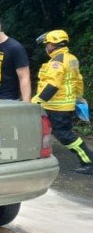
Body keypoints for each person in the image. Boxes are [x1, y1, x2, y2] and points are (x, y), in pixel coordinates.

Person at [32, 29, 93, 175]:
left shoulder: (57, 62)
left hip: (56, 106)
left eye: (47, 44)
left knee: (65, 135)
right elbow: (78, 80)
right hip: (64, 104)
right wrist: (78, 97)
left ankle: (89, 162)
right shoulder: (71, 58)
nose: (46, 47)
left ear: (53, 45)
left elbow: (53, 84)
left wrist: (36, 100)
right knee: (45, 130)